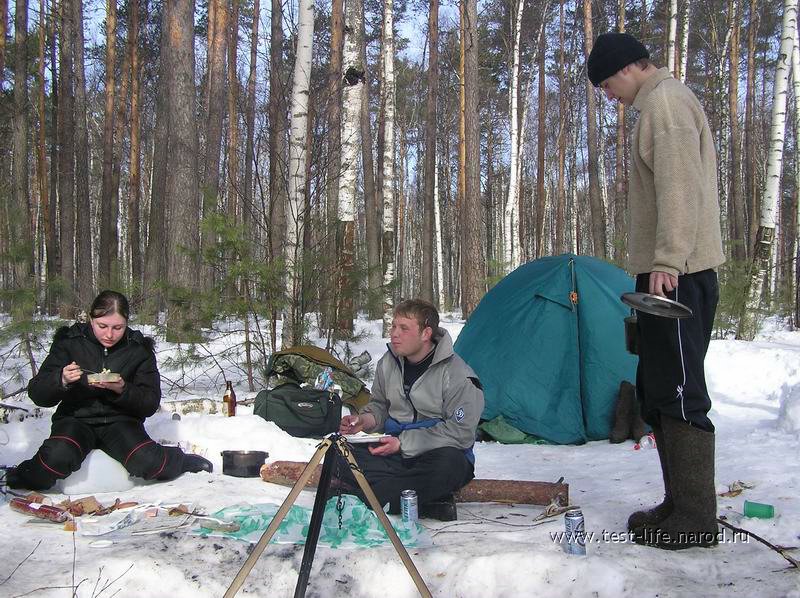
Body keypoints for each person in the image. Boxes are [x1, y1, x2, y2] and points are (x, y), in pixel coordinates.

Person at [588, 33, 725, 550]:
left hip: (679, 274)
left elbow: (680, 189)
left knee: (683, 392)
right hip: (663, 274)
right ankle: (677, 505)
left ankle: (696, 518)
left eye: (607, 84)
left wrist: (666, 260)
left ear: (627, 69)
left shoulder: (665, 103)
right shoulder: (658, 104)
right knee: (660, 388)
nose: (609, 96)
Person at [7, 290, 212, 491]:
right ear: (90, 319)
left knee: (147, 461)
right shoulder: (70, 342)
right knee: (57, 457)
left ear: (126, 323)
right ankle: (22, 473)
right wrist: (61, 379)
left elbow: (149, 402)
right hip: (75, 419)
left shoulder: (138, 349)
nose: (109, 334)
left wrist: (123, 389)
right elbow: (38, 394)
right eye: (102, 326)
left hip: (121, 421)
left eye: (118, 327)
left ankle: (182, 460)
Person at [335, 299, 484, 520]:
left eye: (404, 328)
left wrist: (404, 443)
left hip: (438, 452)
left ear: (426, 333)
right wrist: (364, 421)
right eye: (394, 326)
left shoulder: (458, 375)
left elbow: (460, 433)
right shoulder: (388, 363)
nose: (394, 334)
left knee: (448, 466)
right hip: (394, 451)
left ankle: (363, 497)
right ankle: (424, 501)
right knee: (339, 454)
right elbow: (379, 405)